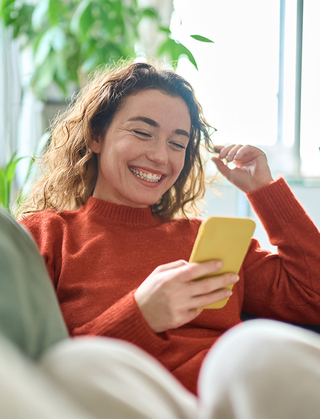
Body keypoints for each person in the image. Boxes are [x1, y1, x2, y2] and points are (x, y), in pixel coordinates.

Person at [17, 61, 320, 401]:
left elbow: (314, 297)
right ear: (96, 136)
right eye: (142, 133)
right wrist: (140, 315)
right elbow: (36, 370)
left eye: (178, 143)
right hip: (124, 402)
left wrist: (264, 190)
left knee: (250, 349)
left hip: (225, 402)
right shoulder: (44, 236)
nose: (160, 156)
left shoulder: (206, 241)